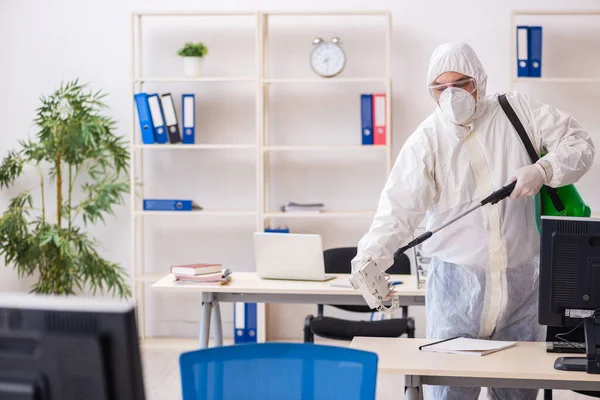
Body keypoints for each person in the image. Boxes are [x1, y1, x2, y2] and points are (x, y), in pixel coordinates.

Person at [351, 42, 595, 400]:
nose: (451, 95)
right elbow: (397, 210)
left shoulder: (518, 111)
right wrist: (371, 256)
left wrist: (544, 169)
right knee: (450, 393)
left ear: (478, 81)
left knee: (517, 392)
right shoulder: (427, 140)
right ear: (431, 92)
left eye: (461, 84)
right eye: (440, 87)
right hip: (456, 294)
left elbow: (580, 144)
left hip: (522, 291)